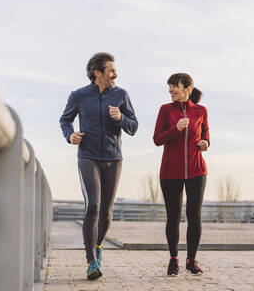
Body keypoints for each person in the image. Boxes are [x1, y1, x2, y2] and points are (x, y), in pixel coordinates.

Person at [59, 52, 138, 280]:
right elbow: (65, 120)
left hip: (114, 159)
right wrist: (70, 135)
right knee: (93, 205)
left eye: (115, 70)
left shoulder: (122, 94)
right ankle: (91, 260)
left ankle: (100, 245)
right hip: (88, 157)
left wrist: (120, 118)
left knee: (106, 211)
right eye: (111, 70)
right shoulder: (79, 95)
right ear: (98, 72)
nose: (115, 74)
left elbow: (133, 127)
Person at [153, 73, 210, 276]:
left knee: (194, 216)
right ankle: (173, 259)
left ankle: (191, 260)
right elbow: (157, 139)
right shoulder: (165, 110)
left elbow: (205, 136)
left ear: (188, 88)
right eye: (169, 88)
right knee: (173, 217)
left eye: (174, 87)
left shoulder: (201, 110)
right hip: (170, 172)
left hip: (196, 170)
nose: (171, 91)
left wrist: (205, 144)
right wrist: (175, 129)